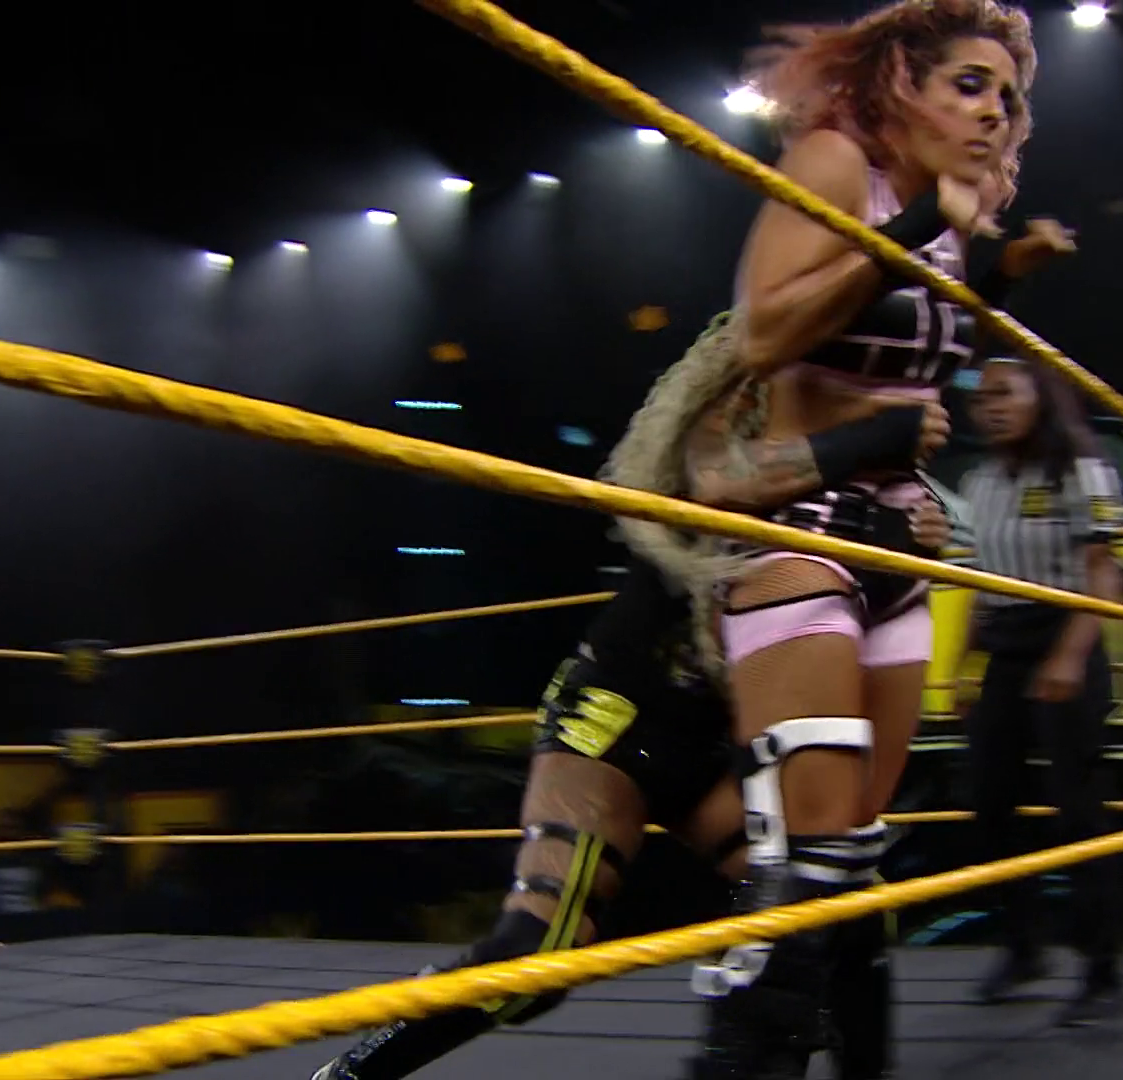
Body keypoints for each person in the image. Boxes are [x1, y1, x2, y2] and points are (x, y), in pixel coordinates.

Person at [598, 2, 1074, 1074]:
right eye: (968, 85)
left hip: (897, 548)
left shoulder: (947, 217)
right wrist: (922, 224)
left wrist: (1002, 271)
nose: (995, 112)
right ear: (902, 84)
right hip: (799, 532)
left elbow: (906, 339)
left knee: (848, 858)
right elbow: (768, 330)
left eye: (1007, 96)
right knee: (805, 860)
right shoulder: (834, 163)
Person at [310, 386, 952, 1080]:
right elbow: (720, 486)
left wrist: (902, 544)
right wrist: (878, 452)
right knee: (538, 951)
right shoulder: (735, 429)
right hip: (618, 715)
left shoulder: (872, 501)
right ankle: (352, 1074)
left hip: (709, 746)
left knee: (846, 900)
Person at [957, 357, 1123, 1024]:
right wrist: (967, 662)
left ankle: (1103, 969)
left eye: (1005, 393)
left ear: (1041, 397)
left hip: (1067, 631)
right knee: (989, 800)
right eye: (982, 399)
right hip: (1005, 643)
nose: (991, 407)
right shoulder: (978, 481)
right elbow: (980, 582)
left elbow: (1104, 573)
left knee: (1078, 808)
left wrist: (1069, 655)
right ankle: (1024, 946)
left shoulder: (1081, 469)